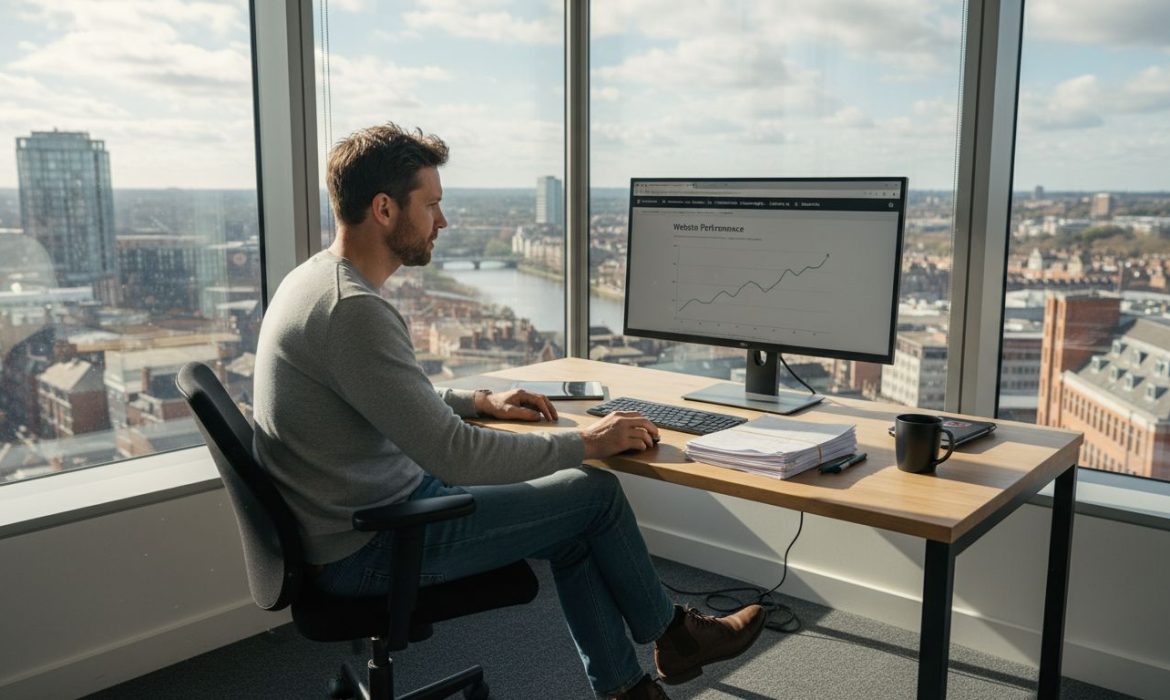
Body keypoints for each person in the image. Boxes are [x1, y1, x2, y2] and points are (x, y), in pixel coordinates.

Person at [252, 123, 766, 700]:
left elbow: (387, 397)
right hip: (369, 548)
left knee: (574, 526)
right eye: (433, 205)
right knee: (593, 494)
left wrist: (480, 401)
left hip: (349, 518)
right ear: (384, 209)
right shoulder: (353, 311)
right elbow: (456, 453)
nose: (442, 223)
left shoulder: (317, 282)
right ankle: (675, 636)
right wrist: (590, 441)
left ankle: (631, 689)